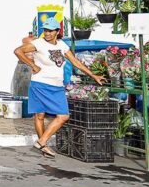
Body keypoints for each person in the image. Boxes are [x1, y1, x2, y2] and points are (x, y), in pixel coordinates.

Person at [14, 17, 106, 158]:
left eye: (51, 31)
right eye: (45, 30)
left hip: (57, 86)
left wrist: (94, 75)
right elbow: (18, 51)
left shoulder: (62, 45)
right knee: (39, 115)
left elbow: (75, 61)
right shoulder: (38, 43)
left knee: (63, 116)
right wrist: (32, 65)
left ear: (57, 31)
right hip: (40, 84)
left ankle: (41, 141)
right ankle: (43, 146)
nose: (48, 33)